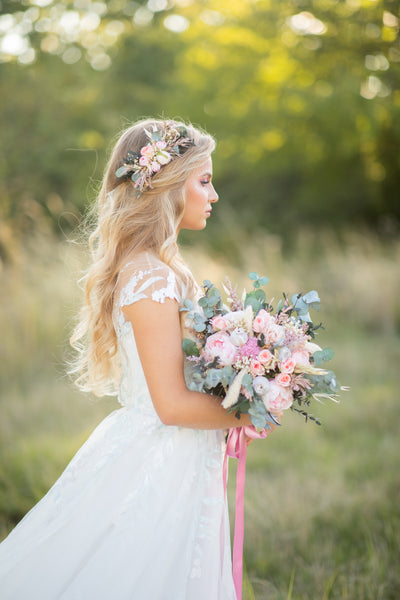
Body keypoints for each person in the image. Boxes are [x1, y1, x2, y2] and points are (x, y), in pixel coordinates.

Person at [0, 118, 275, 599]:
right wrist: (254, 405)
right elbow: (170, 404)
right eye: (204, 181)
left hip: (180, 451)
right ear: (168, 186)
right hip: (161, 458)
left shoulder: (162, 267)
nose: (213, 196)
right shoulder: (150, 278)